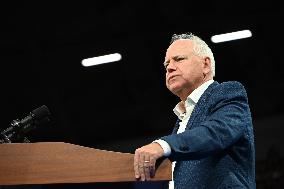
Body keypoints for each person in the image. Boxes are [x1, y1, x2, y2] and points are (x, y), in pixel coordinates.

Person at [133, 33, 255, 189]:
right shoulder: (181, 121)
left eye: (179, 59)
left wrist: (162, 145)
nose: (169, 67)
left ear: (205, 64)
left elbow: (217, 132)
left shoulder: (228, 92)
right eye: (166, 64)